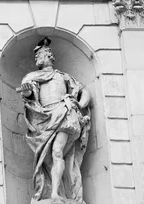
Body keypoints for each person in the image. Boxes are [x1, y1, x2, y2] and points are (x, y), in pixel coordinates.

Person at [20, 37, 91, 203]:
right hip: (44, 120)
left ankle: (55, 194)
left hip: (64, 114)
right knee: (48, 159)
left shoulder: (63, 76)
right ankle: (54, 191)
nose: (37, 58)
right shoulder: (32, 77)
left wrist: (79, 104)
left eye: (39, 55)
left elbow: (84, 91)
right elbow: (30, 97)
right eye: (36, 56)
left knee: (57, 152)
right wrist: (26, 93)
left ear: (48, 56)